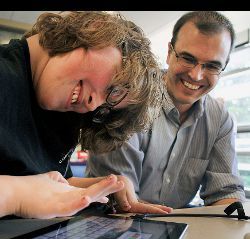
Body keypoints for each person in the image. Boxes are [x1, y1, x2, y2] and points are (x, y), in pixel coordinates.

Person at [0, 11, 172, 219]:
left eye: (106, 108)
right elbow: (26, 189)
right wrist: (16, 195)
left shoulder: (63, 113)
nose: (93, 106)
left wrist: (102, 187)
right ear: (95, 29)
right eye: (114, 89)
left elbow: (47, 182)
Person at [86, 11, 246, 210]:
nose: (196, 75)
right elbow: (121, 201)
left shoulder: (221, 120)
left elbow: (226, 195)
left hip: (175, 228)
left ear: (223, 68)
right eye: (188, 58)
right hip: (109, 223)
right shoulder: (127, 97)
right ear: (170, 52)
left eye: (212, 66)